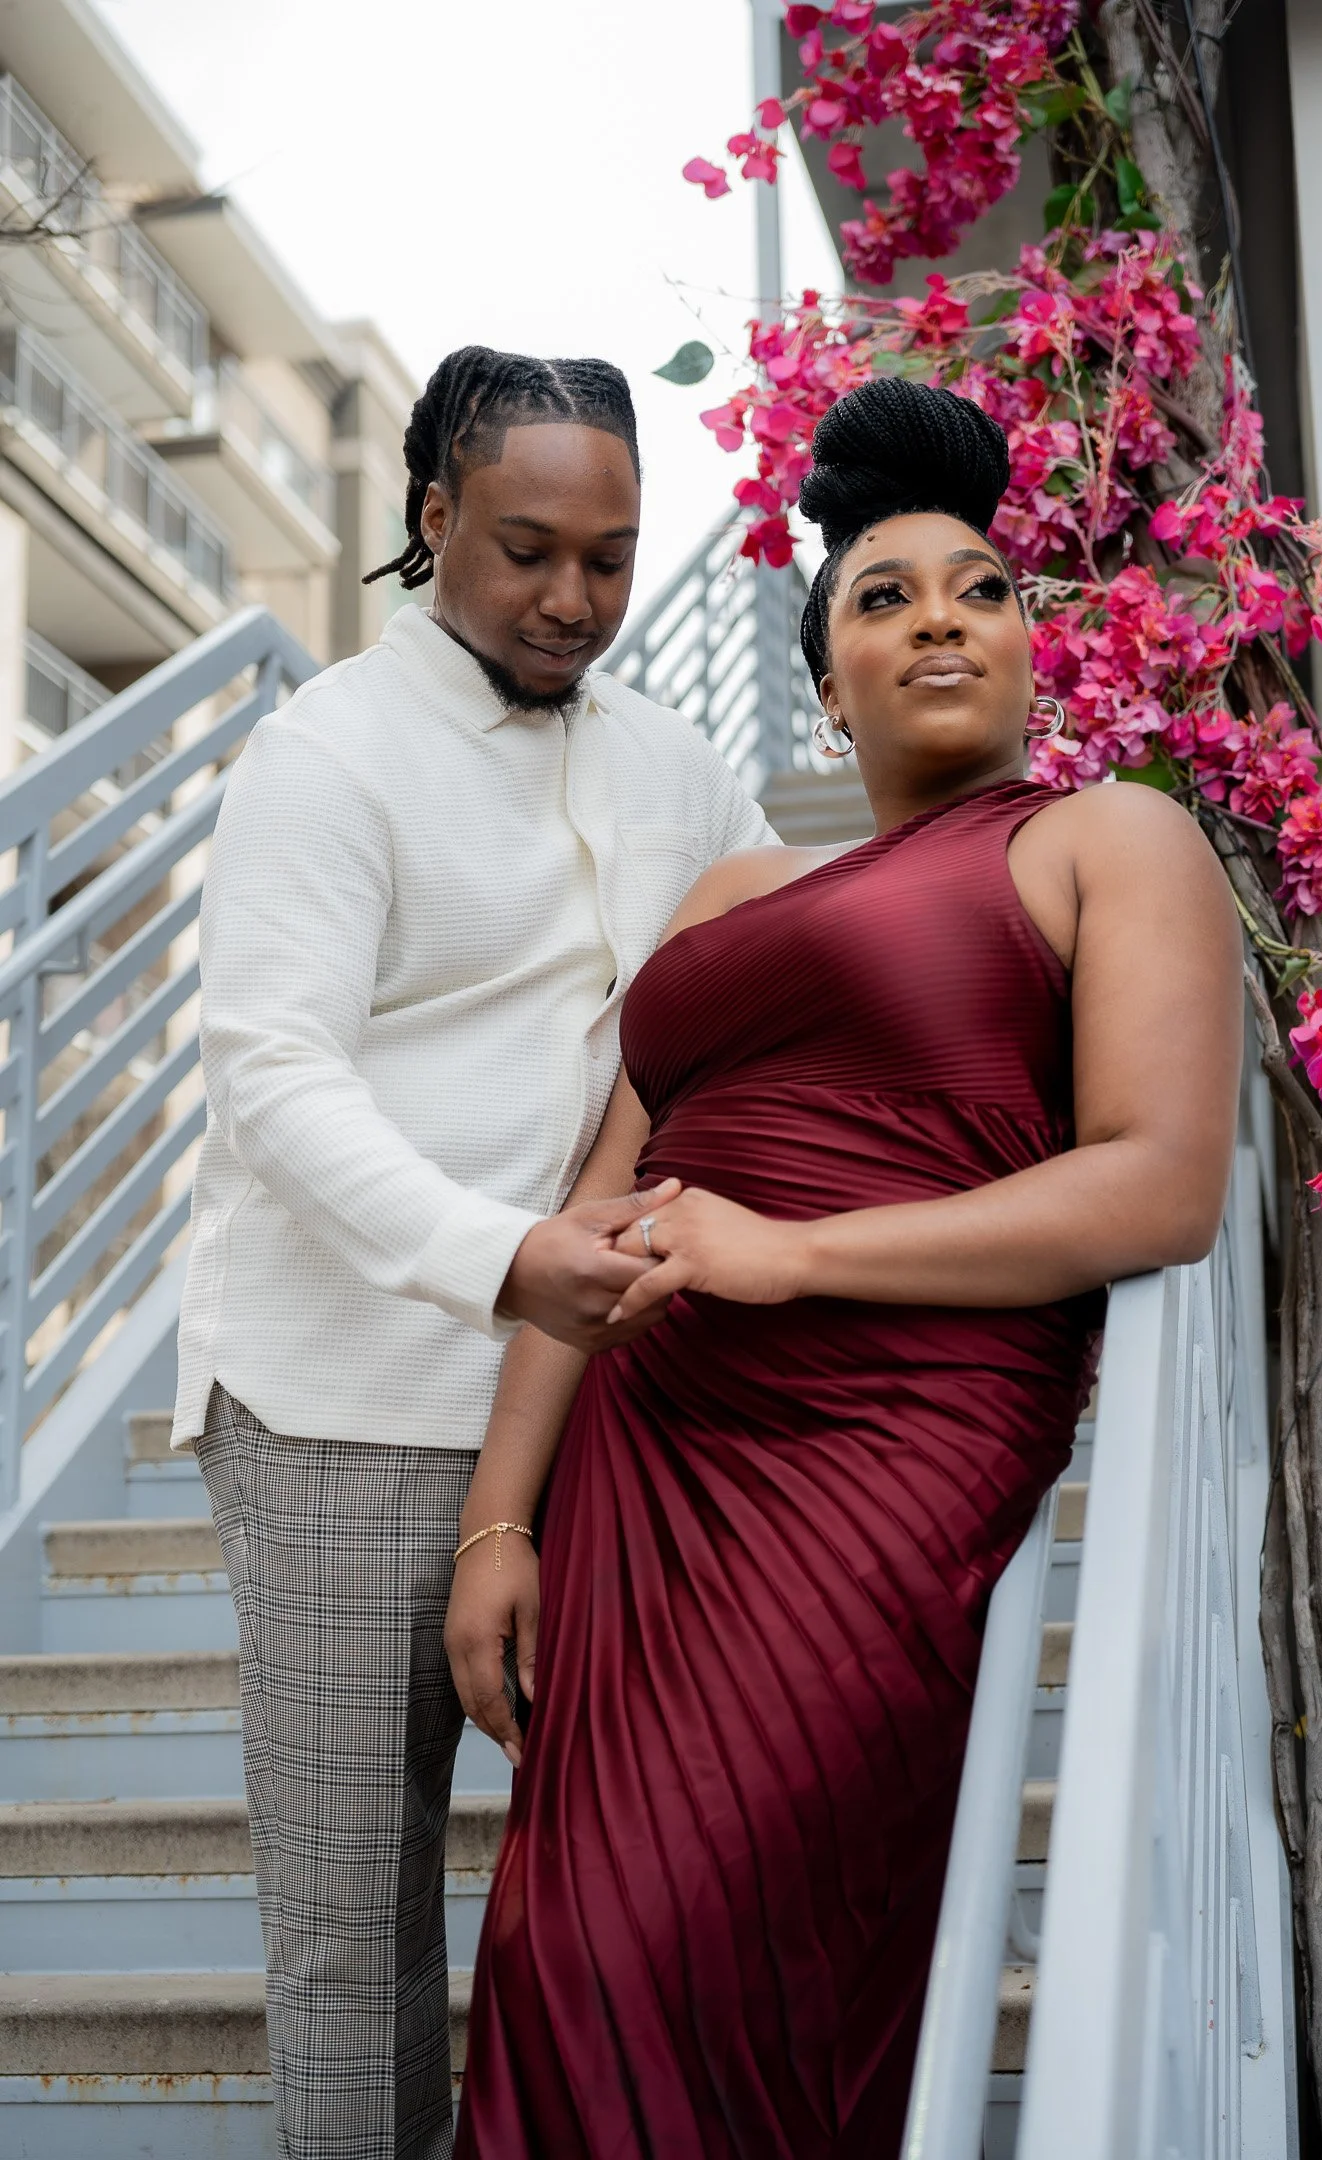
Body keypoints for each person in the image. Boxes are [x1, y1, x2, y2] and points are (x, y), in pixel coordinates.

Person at [446, 378, 1243, 2158]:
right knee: (557, 1955)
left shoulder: (1113, 838)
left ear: (1032, 648)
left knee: (700, 1948)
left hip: (886, 1448)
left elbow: (1159, 1186)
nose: (941, 615)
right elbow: (603, 1192)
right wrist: (503, 1525)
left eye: (982, 588)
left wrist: (792, 1255)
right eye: (884, 600)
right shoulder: (733, 892)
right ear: (828, 685)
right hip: (648, 1465)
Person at [173, 345, 773, 2160]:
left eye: (610, 558)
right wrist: (501, 1253)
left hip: (613, 1419)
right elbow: (269, 1069)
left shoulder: (686, 769)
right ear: (432, 515)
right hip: (342, 1406)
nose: (572, 600)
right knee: (358, 1947)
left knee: (634, 1910)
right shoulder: (325, 752)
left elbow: (774, 988)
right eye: (525, 551)